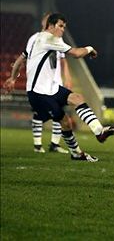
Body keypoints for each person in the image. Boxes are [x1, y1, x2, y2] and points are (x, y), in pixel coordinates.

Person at [4, 13, 114, 161]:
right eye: (60, 26)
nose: (62, 30)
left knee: (77, 98)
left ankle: (99, 132)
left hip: (51, 88)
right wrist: (90, 48)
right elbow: (77, 54)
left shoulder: (36, 39)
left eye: (64, 27)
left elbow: (21, 58)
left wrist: (13, 78)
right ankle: (75, 153)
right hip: (39, 93)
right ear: (51, 26)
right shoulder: (49, 39)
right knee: (64, 121)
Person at [4, 12, 72, 154]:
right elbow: (25, 58)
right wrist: (14, 78)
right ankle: (37, 144)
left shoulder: (58, 39)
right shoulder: (35, 39)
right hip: (40, 84)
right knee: (39, 113)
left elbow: (63, 60)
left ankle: (55, 144)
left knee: (59, 113)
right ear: (45, 23)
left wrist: (67, 78)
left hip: (55, 82)